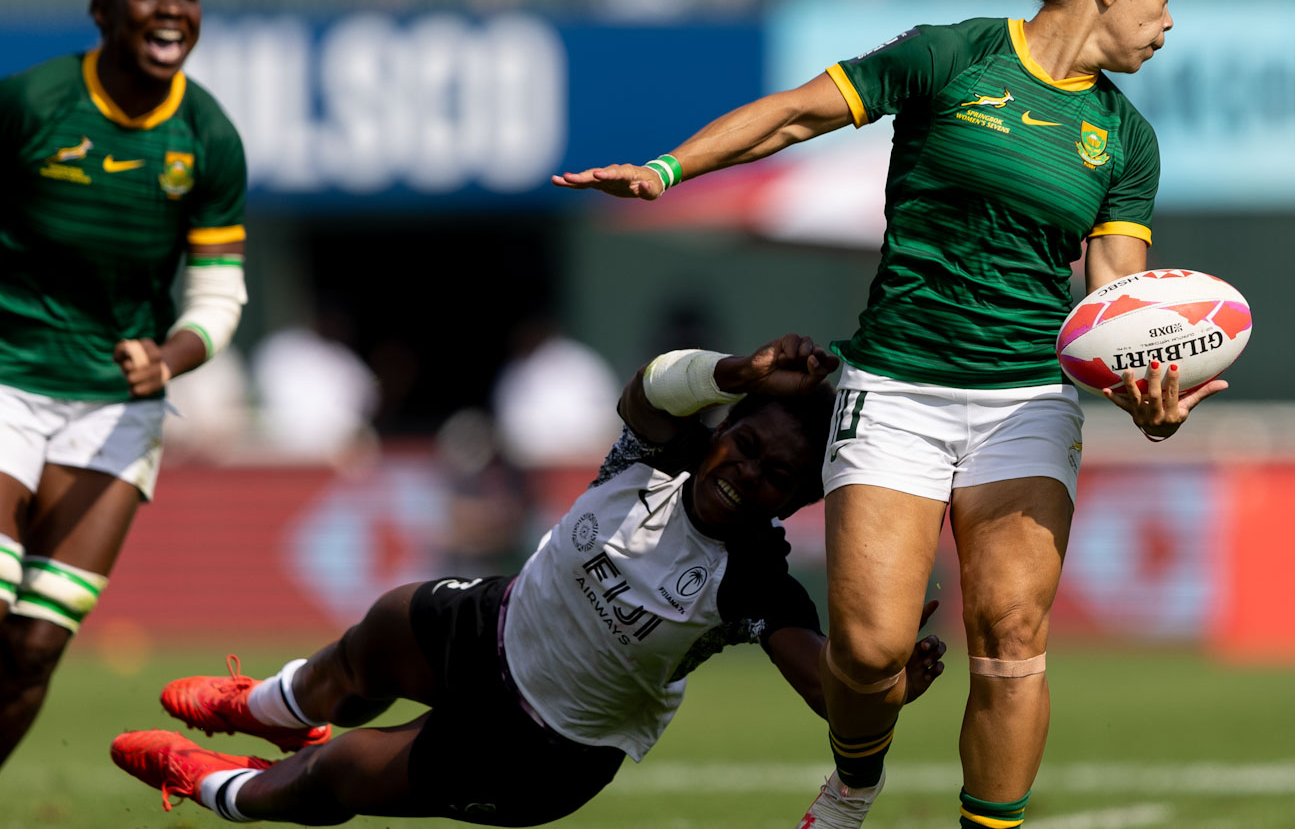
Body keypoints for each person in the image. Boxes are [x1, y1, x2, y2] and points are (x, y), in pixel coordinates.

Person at [554, 0, 1218, 829]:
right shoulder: (949, 55)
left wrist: (1143, 394)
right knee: (867, 652)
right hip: (895, 390)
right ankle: (854, 781)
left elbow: (1111, 298)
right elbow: (789, 116)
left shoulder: (1125, 140)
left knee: (1009, 640)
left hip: (1023, 407)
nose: (1167, 23)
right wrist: (665, 168)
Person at [108, 334, 950, 826]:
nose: (748, 473)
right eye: (748, 445)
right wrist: (736, 371)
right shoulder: (665, 450)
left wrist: (883, 684)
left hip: (543, 745)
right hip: (496, 623)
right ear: (723, 428)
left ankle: (210, 783)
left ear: (801, 502)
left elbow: (829, 692)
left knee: (344, 778)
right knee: (377, 635)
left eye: (777, 478)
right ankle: (268, 709)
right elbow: (652, 388)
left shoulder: (758, 580)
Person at [0, 0, 249, 770]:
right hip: (7, 378)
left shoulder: (207, 135)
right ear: (103, 12)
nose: (171, 10)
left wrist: (170, 359)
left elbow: (219, 289)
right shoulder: (32, 106)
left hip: (115, 409)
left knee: (33, 647)